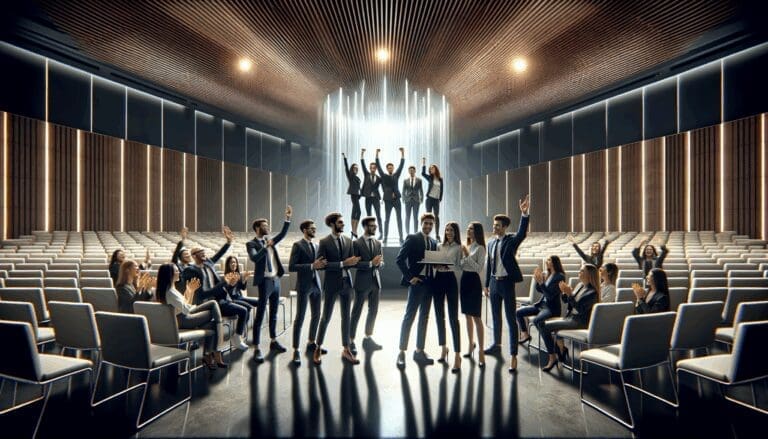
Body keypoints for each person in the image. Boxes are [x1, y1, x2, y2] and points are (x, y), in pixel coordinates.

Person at [484, 194, 530, 373]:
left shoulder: (511, 241)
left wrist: (524, 214)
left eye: (497, 225)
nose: (494, 227)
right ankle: (495, 345)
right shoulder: (490, 243)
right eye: (494, 225)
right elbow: (489, 264)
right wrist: (487, 284)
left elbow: (522, 233)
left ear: (504, 227)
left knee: (511, 320)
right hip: (494, 284)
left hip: (507, 284)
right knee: (496, 318)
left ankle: (513, 356)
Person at [155, 263, 227, 370]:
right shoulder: (170, 292)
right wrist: (190, 294)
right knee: (213, 305)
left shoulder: (168, 290)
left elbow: (184, 305)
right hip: (184, 320)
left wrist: (190, 292)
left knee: (212, 324)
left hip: (181, 317)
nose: (179, 272)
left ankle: (208, 355)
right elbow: (186, 309)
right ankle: (216, 351)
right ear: (169, 274)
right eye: (176, 271)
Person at [246, 205, 292, 363]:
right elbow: (254, 258)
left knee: (274, 313)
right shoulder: (251, 244)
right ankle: (257, 347)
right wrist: (265, 247)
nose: (268, 228)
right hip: (264, 282)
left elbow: (283, 234)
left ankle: (273, 341)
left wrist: (287, 219)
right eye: (265, 226)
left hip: (275, 280)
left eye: (267, 225)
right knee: (260, 315)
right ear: (257, 228)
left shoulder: (270, 240)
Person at [314, 212, 361, 365]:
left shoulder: (348, 241)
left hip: (347, 284)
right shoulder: (324, 242)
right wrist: (343, 264)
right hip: (332, 285)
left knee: (346, 317)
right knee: (326, 317)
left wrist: (354, 261)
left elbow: (352, 261)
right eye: (340, 222)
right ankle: (318, 347)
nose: (343, 224)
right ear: (332, 224)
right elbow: (321, 266)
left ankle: (346, 349)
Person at [396, 212, 438, 369]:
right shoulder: (413, 238)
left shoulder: (434, 242)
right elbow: (399, 259)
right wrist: (410, 277)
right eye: (426, 223)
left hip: (429, 284)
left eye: (431, 224)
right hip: (417, 283)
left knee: (424, 318)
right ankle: (401, 352)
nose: (428, 226)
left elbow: (432, 263)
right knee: (409, 317)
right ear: (421, 224)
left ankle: (419, 351)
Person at [540, 264, 600, 372]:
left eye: (582, 271)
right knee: (546, 323)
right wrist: (564, 292)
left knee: (544, 326)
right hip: (571, 317)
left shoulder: (592, 292)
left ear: (588, 275)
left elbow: (580, 309)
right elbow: (567, 301)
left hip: (580, 322)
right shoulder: (580, 285)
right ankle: (561, 350)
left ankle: (552, 356)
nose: (579, 272)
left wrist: (569, 294)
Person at [287, 219, 327, 365]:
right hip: (304, 285)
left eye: (315, 228)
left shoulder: (316, 246)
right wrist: (311, 266)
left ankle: (311, 343)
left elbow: (318, 265)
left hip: (316, 284)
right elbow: (292, 267)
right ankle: (296, 350)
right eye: (312, 228)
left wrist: (321, 265)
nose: (314, 230)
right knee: (300, 317)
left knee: (317, 315)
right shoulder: (298, 245)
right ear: (304, 230)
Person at [350, 216, 384, 356]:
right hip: (362, 282)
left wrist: (379, 263)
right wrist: (371, 263)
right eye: (372, 226)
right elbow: (354, 263)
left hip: (375, 282)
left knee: (373, 311)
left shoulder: (377, 243)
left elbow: (381, 261)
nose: (374, 227)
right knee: (356, 311)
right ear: (365, 227)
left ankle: (368, 338)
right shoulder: (356, 244)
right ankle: (350, 340)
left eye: (375, 226)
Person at [515, 256, 565, 346]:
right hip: (542, 305)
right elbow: (541, 290)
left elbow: (550, 296)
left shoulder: (559, 276)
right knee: (518, 312)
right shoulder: (549, 275)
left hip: (551, 308)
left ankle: (551, 344)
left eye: (549, 260)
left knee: (537, 320)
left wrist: (541, 283)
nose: (546, 261)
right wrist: (538, 281)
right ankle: (525, 335)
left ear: (554, 262)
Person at [434, 222, 463, 373]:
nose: (448, 232)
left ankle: (457, 355)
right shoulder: (439, 246)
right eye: (446, 230)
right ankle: (444, 348)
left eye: (451, 230)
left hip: (451, 280)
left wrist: (448, 266)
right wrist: (436, 266)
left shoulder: (459, 247)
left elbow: (459, 266)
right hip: (438, 279)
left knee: (453, 318)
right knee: (439, 316)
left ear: (455, 232)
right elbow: (435, 262)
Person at [459, 221, 487, 367]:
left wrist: (466, 255)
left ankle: (481, 351)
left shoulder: (481, 248)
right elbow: (462, 265)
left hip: (474, 282)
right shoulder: (467, 246)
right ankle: (470, 344)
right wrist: (464, 256)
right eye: (468, 228)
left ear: (477, 231)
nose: (468, 231)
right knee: (467, 316)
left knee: (476, 317)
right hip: (464, 280)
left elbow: (478, 268)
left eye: (471, 229)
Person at [375, 147, 405, 244]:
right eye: (388, 167)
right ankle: (385, 237)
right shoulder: (384, 176)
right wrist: (377, 154)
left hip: (397, 199)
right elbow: (378, 166)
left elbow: (401, 165)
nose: (390, 168)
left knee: (399, 218)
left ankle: (401, 237)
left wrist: (402, 153)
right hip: (387, 199)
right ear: (387, 169)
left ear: (393, 168)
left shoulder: (396, 175)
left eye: (391, 167)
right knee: (387, 219)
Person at [360, 149, 383, 239]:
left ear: (376, 169)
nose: (373, 169)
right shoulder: (366, 174)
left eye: (374, 168)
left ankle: (381, 233)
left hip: (376, 198)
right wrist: (362, 154)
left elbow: (384, 187)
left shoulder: (379, 178)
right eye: (371, 168)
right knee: (369, 216)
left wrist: (376, 154)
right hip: (368, 198)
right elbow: (362, 164)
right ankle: (368, 233)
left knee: (378, 216)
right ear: (370, 168)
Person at [421, 159, 444, 241]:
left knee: (436, 216)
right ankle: (426, 234)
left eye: (432, 168)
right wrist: (423, 164)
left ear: (436, 169)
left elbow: (441, 190)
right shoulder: (429, 177)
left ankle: (437, 235)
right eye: (430, 169)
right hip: (429, 199)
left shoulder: (440, 179)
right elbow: (423, 174)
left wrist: (440, 199)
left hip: (436, 200)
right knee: (428, 217)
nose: (431, 170)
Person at [342, 153, 362, 238]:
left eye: (357, 168)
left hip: (357, 195)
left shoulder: (357, 177)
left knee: (355, 211)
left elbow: (359, 187)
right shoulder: (350, 176)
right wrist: (345, 158)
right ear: (352, 169)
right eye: (354, 168)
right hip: (353, 194)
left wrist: (361, 192)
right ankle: (354, 230)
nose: (356, 169)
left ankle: (354, 230)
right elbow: (346, 167)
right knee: (359, 211)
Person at [402, 166, 424, 235]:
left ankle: (415, 232)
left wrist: (421, 198)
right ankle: (407, 233)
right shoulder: (405, 180)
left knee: (415, 217)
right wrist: (403, 199)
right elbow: (403, 191)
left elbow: (421, 190)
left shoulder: (419, 180)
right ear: (408, 171)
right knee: (407, 217)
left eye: (412, 170)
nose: (411, 171)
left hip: (416, 200)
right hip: (408, 200)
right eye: (410, 170)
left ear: (415, 171)